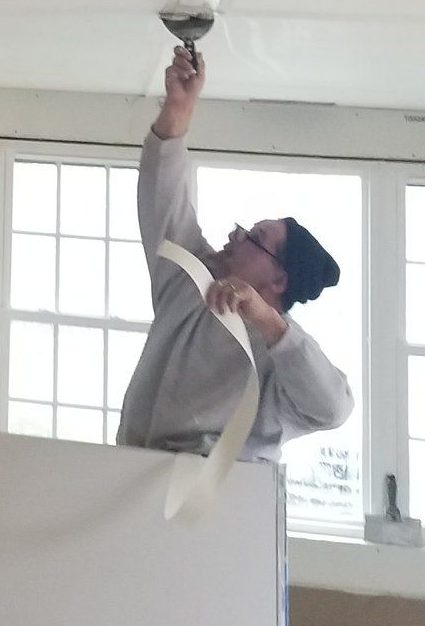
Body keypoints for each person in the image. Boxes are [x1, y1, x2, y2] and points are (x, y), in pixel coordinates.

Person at [116, 45, 353, 461]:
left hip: (218, 507)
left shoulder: (279, 358)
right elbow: (163, 196)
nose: (236, 235)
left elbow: (332, 408)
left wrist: (264, 319)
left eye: (254, 237)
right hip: (132, 474)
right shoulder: (194, 278)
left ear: (278, 280)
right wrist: (178, 109)